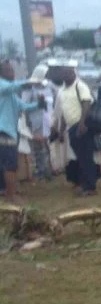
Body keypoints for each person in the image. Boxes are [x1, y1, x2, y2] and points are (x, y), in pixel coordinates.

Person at [55, 65, 99, 195]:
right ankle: (85, 184)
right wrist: (61, 131)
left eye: (69, 73)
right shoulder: (62, 90)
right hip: (71, 128)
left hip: (82, 127)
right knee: (80, 158)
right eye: (64, 73)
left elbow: (87, 103)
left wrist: (82, 122)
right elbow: (63, 112)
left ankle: (90, 187)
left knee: (87, 158)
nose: (67, 75)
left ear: (74, 74)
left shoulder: (80, 86)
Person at [0, 60, 40, 200]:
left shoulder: (9, 93)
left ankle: (7, 191)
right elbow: (14, 87)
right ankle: (11, 196)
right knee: (10, 164)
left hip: (9, 131)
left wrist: (39, 104)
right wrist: (29, 82)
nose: (12, 72)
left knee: (6, 163)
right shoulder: (3, 86)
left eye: (12, 69)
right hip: (3, 131)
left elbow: (24, 106)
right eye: (8, 70)